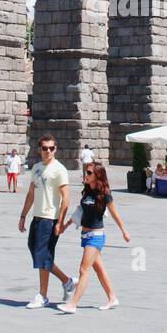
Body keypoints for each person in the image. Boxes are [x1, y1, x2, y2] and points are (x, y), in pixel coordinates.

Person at [60, 164, 130, 314]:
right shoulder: (87, 191)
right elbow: (79, 212)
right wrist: (64, 226)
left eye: (90, 172)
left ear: (98, 175)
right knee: (99, 269)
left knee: (83, 269)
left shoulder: (104, 193)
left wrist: (124, 231)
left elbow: (114, 213)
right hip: (85, 235)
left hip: (96, 236)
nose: (87, 174)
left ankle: (72, 304)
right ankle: (112, 298)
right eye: (86, 172)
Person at [19, 134, 75, 308]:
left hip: (50, 219)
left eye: (51, 148)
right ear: (39, 149)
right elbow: (30, 194)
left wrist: (60, 221)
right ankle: (67, 281)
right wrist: (23, 216)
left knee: (41, 254)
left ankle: (43, 295)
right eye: (44, 148)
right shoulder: (36, 167)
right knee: (39, 253)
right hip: (37, 217)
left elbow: (66, 198)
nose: (48, 151)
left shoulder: (60, 169)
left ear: (55, 149)